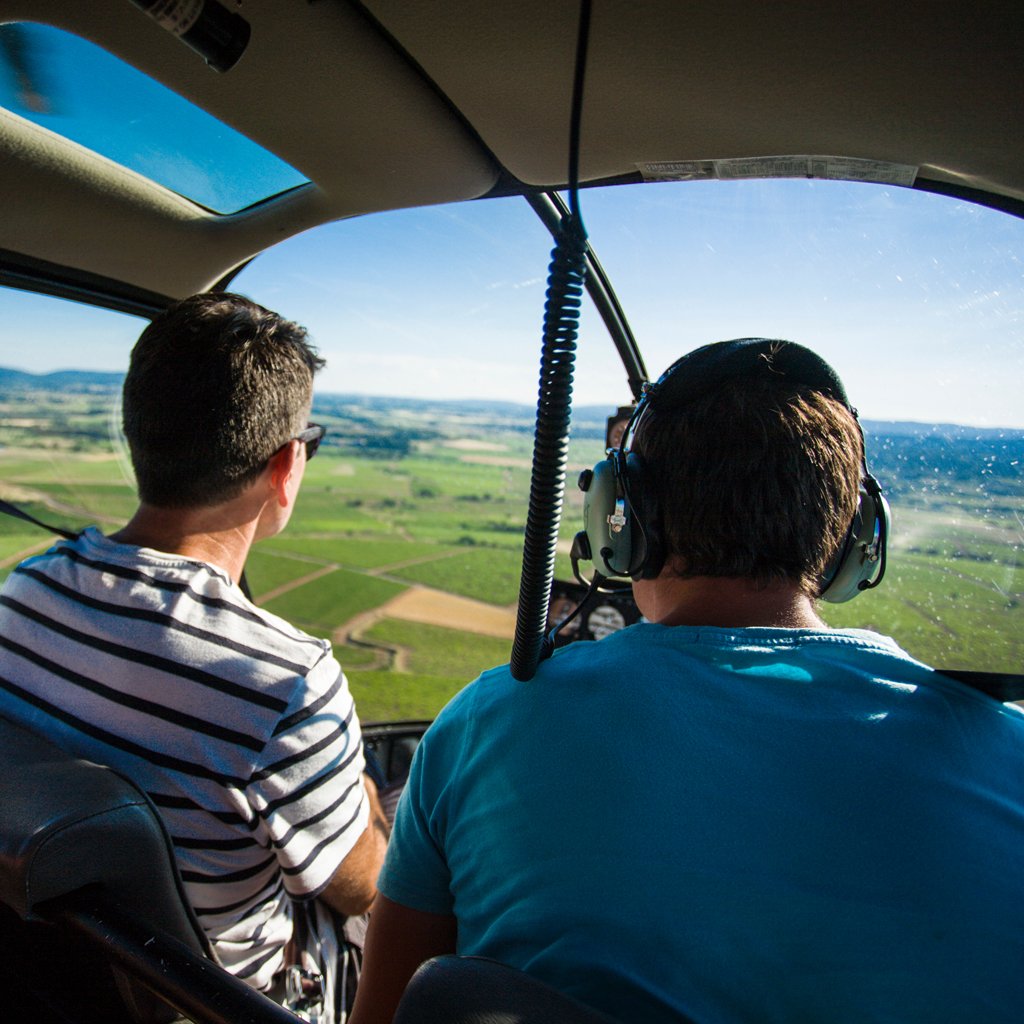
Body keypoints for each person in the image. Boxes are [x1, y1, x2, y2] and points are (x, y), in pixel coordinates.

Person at [350, 339, 1024, 1024]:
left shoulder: (485, 723)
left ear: (622, 517)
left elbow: (384, 1013)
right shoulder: (1009, 755)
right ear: (853, 536)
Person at [0, 293, 389, 1019]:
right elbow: (361, 887)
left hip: (68, 981)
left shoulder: (23, 592)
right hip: (237, 1000)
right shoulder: (286, 683)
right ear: (284, 465)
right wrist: (364, 804)